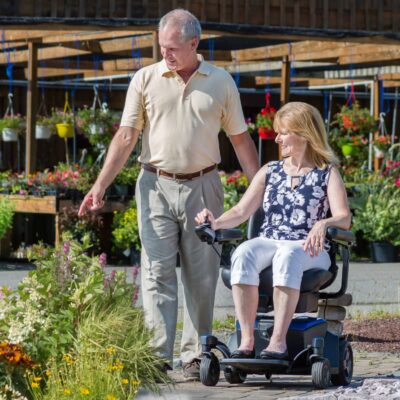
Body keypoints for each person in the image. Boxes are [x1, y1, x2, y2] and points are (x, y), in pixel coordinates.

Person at [78, 9, 259, 379]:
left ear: (195, 44)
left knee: (202, 274)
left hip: (204, 186)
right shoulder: (145, 78)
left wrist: (260, 191)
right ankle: (158, 356)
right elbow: (127, 136)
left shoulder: (221, 82)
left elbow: (240, 140)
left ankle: (195, 356)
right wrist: (100, 185)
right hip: (155, 185)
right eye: (162, 47)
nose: (166, 54)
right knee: (156, 271)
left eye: (174, 48)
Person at [196, 101, 351, 360]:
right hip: (272, 240)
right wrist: (214, 222)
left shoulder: (326, 173)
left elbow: (344, 218)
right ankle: (246, 342)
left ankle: (278, 342)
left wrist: (323, 223)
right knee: (244, 252)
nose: (277, 138)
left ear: (303, 133)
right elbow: (241, 211)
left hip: (308, 248)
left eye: (283, 132)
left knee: (287, 256)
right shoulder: (271, 171)